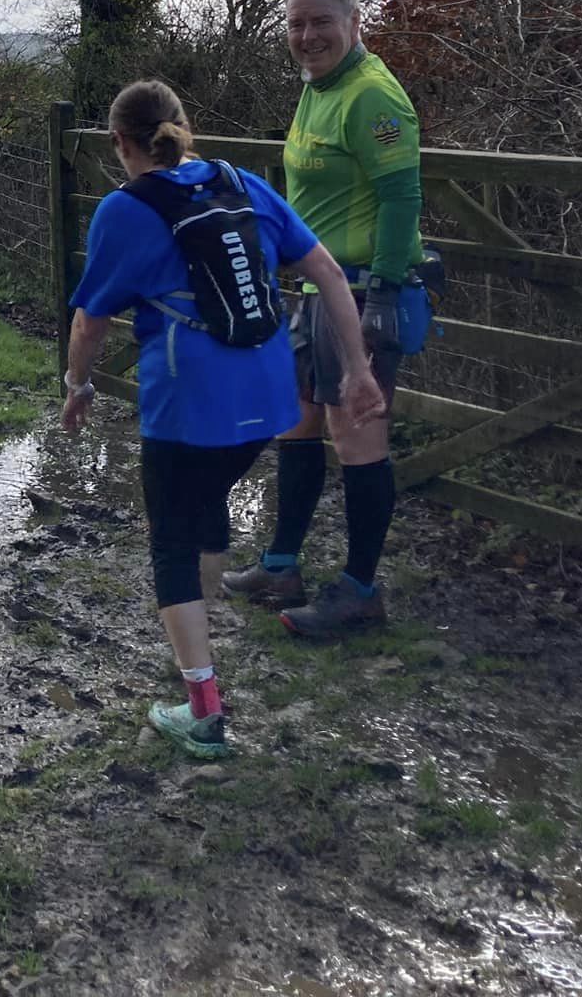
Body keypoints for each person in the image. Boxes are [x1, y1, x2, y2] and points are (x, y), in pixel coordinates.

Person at [61, 80, 384, 758]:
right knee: (202, 508)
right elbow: (325, 269)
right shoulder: (241, 182)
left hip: (190, 403)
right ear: (184, 125)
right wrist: (356, 368)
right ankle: (194, 649)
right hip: (268, 398)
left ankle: (203, 711)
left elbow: (90, 320)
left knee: (172, 543)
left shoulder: (125, 209)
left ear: (120, 144)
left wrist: (77, 384)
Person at [222, 0, 428, 638]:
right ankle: (282, 564)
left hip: (363, 288)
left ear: (354, 23)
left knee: (358, 435)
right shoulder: (319, 89)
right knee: (299, 421)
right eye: (296, 24)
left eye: (320, 23)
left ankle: (361, 591)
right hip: (316, 288)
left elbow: (401, 196)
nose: (307, 36)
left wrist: (387, 295)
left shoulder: (371, 96)